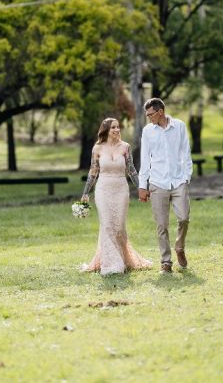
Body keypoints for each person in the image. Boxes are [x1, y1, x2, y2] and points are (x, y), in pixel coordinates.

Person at [80, 118, 152, 275]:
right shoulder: (97, 148)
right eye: (113, 127)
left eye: (118, 127)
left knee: (119, 227)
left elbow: (132, 170)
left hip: (121, 190)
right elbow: (93, 172)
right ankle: (112, 264)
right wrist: (86, 192)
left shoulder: (125, 147)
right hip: (103, 190)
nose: (117, 130)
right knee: (106, 225)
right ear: (106, 130)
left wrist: (142, 187)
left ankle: (123, 259)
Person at [137, 98, 193, 274]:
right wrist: (142, 185)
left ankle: (179, 247)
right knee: (162, 224)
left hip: (178, 181)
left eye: (150, 114)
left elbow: (186, 152)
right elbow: (145, 159)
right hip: (157, 182)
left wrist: (186, 177)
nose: (148, 118)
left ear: (160, 112)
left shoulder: (179, 126)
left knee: (184, 217)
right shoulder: (147, 132)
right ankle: (166, 262)